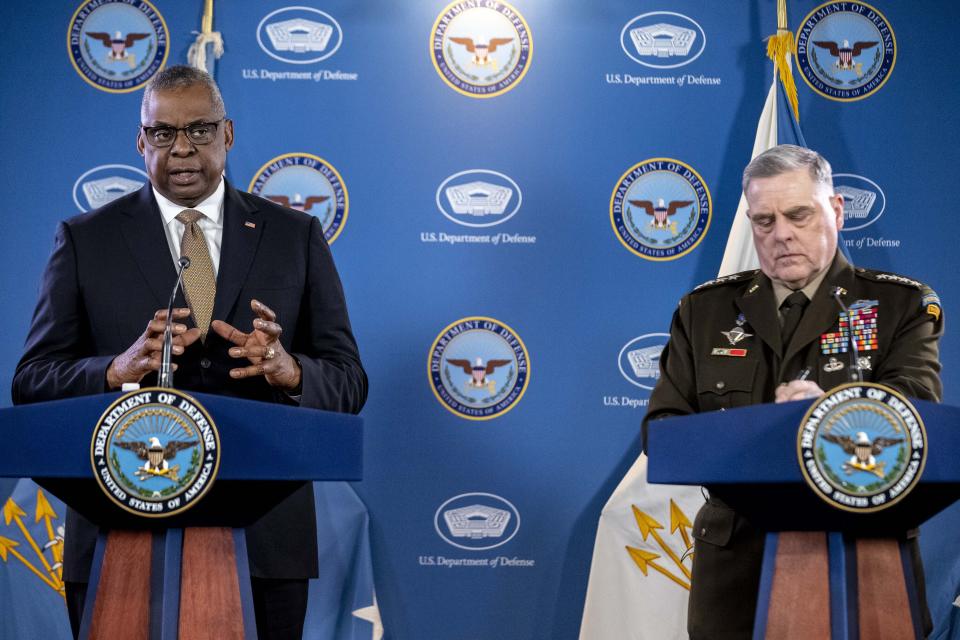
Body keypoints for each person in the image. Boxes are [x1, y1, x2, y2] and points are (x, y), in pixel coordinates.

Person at [12, 65, 367, 639]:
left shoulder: (294, 236)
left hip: (264, 543)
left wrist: (288, 370)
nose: (181, 149)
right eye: (162, 133)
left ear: (227, 133)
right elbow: (31, 381)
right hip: (118, 526)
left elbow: (349, 382)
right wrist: (114, 369)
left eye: (200, 131)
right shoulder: (86, 239)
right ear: (140, 140)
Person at [643, 144, 942, 639]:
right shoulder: (705, 312)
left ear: (837, 210)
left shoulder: (898, 305)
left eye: (799, 214)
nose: (781, 234)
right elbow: (664, 432)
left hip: (863, 559)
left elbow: (916, 408)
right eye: (764, 221)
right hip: (736, 572)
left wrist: (828, 418)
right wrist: (770, 431)